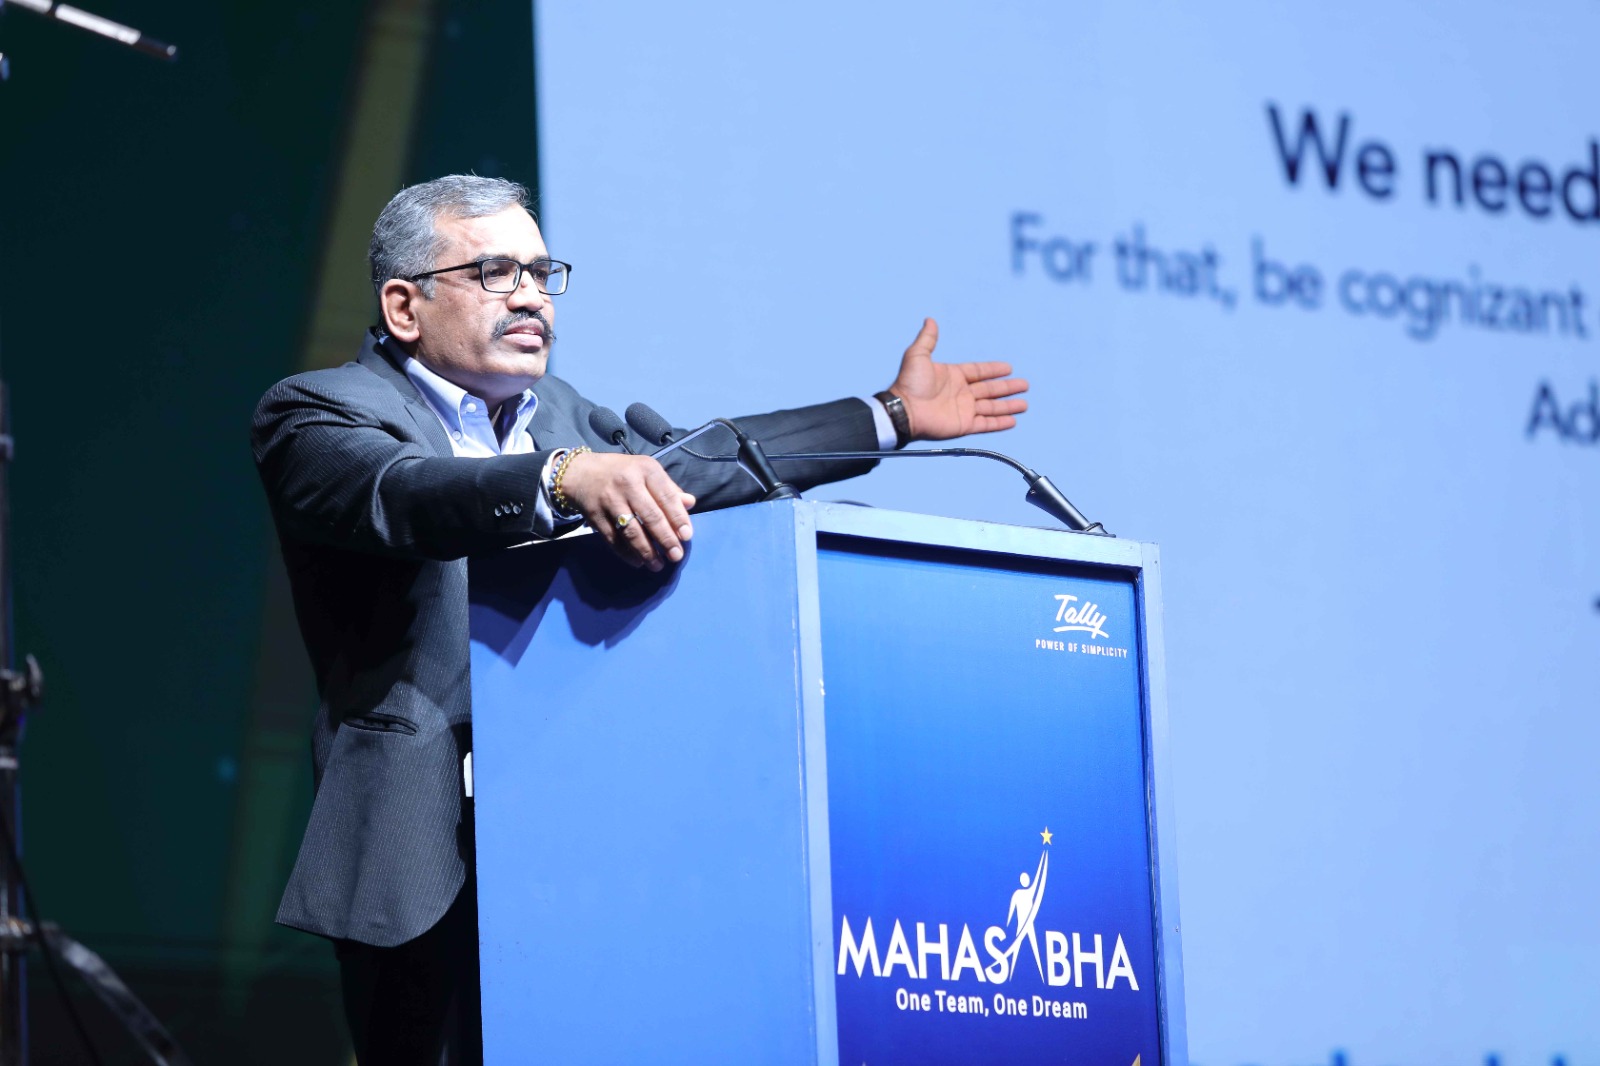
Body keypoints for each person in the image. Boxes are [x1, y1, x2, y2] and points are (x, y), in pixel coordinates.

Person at [252, 174, 1029, 1064]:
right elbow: (408, 495)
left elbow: (702, 462)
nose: (531, 297)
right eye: (496, 272)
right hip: (427, 847)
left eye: (541, 273)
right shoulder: (319, 411)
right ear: (404, 305)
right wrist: (556, 478)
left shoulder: (569, 416)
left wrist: (888, 417)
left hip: (596, 839)